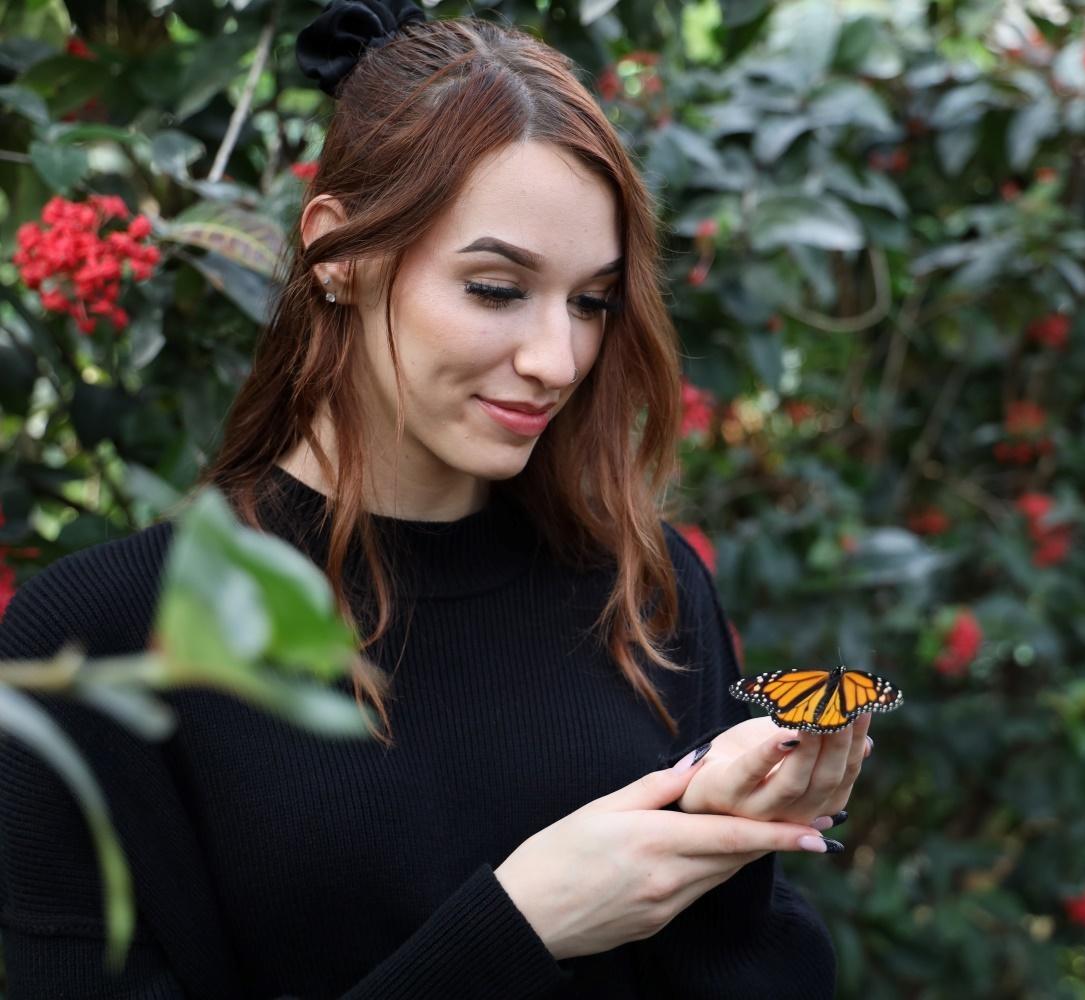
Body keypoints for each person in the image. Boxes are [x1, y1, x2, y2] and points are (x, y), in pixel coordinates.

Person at [0, 5, 872, 997]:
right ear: (338, 255)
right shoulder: (98, 639)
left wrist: (723, 846)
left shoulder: (644, 586)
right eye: (496, 288)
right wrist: (515, 928)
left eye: (591, 301)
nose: (558, 360)